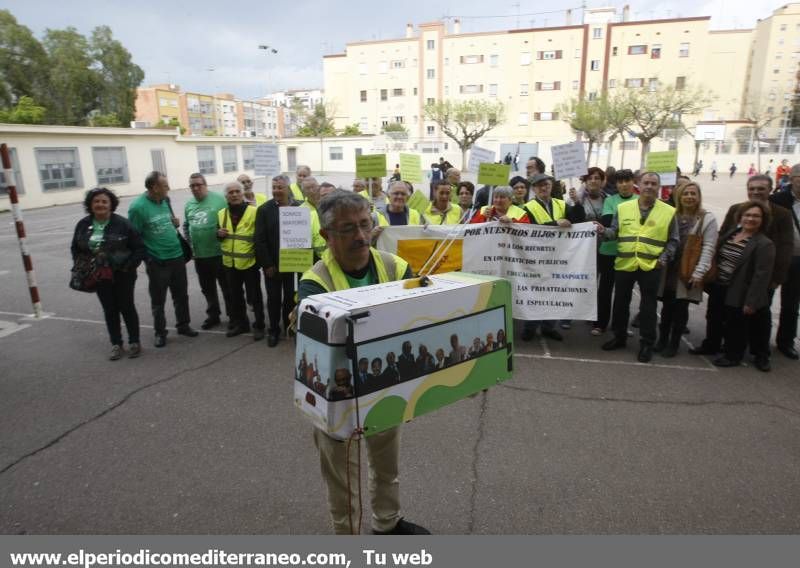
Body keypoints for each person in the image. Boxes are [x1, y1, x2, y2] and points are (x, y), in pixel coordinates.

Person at [297, 190, 428, 535]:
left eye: (364, 225)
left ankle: (387, 522)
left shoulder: (395, 266)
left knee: (387, 466)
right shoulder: (314, 282)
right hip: (338, 399)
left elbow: (418, 321)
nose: (359, 236)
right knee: (343, 484)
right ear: (326, 236)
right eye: (347, 229)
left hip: (385, 387)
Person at [691, 174, 794, 357]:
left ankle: (758, 353)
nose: (756, 192)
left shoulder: (781, 214)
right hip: (724, 278)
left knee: (757, 316)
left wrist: (777, 278)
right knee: (717, 314)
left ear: (770, 189)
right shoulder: (736, 210)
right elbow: (722, 236)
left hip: (758, 278)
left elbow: (785, 247)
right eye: (752, 188)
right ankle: (713, 344)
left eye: (760, 188)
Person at [598, 172, 678, 362]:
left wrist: (664, 258)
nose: (649, 186)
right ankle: (619, 337)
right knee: (620, 303)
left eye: (653, 183)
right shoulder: (623, 208)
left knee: (648, 307)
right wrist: (602, 231)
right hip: (625, 263)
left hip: (651, 266)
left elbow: (673, 240)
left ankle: (646, 343)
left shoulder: (668, 211)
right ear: (638, 185)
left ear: (659, 187)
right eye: (646, 183)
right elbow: (614, 232)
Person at [72, 188, 146, 360]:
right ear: (90, 204)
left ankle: (134, 342)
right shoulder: (83, 224)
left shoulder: (123, 224)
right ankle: (116, 344)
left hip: (123, 274)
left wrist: (128, 266)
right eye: (96, 201)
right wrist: (83, 265)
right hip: (98, 274)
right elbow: (75, 248)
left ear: (111, 204)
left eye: (104, 201)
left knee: (126, 306)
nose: (100, 204)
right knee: (109, 309)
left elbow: (139, 248)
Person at [128, 171, 198, 348]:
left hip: (177, 256)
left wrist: (173, 223)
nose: (169, 188)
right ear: (154, 187)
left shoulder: (165, 200)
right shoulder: (138, 207)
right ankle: (160, 332)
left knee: (181, 295)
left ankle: (183, 325)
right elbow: (134, 237)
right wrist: (148, 259)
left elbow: (168, 223)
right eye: (165, 185)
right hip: (158, 261)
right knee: (158, 300)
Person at [654, 182, 718, 357]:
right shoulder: (671, 214)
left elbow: (709, 247)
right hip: (669, 268)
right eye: (685, 194)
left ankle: (673, 343)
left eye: (693, 193)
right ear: (679, 197)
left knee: (681, 307)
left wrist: (699, 272)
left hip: (688, 269)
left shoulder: (706, 218)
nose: (689, 197)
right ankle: (662, 340)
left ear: (698, 197)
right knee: (667, 306)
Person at [710, 202, 775, 371]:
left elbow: (761, 276)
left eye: (756, 216)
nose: (750, 219)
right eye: (747, 215)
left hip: (741, 291)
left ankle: (733, 356)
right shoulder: (734, 233)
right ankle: (726, 349)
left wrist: (751, 302)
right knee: (726, 320)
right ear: (740, 217)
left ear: (763, 220)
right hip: (722, 285)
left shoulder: (764, 243)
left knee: (737, 325)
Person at [521, 173, 584, 341]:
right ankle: (530, 327)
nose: (543, 188)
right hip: (537, 257)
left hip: (559, 256)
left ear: (551, 186)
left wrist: (577, 202)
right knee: (535, 294)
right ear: (534, 189)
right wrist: (555, 224)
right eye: (539, 185)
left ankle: (549, 327)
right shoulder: (527, 207)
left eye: (546, 184)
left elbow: (579, 220)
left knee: (554, 293)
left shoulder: (562, 204)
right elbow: (529, 231)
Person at [254, 174, 301, 347]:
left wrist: (301, 261)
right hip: (272, 266)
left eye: (279, 187)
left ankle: (288, 328)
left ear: (288, 188)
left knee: (290, 298)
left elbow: (304, 237)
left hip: (293, 263)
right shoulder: (264, 210)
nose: (276, 191)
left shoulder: (299, 208)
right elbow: (259, 240)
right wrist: (267, 264)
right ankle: (273, 330)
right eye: (274, 187)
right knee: (273, 299)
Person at [217, 181, 265, 341]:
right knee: (235, 296)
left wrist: (260, 261)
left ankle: (259, 326)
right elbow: (219, 234)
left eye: (237, 191)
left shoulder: (254, 211)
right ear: (226, 196)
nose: (235, 194)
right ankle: (241, 324)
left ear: (243, 193)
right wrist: (218, 234)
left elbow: (260, 238)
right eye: (231, 192)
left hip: (250, 263)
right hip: (229, 263)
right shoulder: (221, 213)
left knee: (255, 296)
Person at [184, 173, 231, 330]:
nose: (196, 188)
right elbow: (186, 226)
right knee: (207, 288)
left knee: (227, 287)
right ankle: (213, 315)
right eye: (192, 185)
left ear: (205, 185)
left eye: (199, 184)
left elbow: (231, 220)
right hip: (200, 256)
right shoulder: (189, 204)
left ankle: (233, 316)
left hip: (219, 254)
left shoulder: (219, 200)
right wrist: (190, 245)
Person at [595, 169, 638, 335]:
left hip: (628, 253)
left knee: (624, 293)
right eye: (620, 182)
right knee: (604, 290)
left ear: (633, 182)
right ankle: (600, 323)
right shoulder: (610, 200)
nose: (624, 185)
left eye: (627, 181)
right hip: (608, 251)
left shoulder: (639, 200)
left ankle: (620, 325)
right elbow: (606, 222)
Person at [769, 163, 800, 360]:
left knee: (791, 303)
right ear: (793, 178)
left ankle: (786, 341)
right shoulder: (777, 200)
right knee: (764, 298)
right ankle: (756, 338)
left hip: (799, 261)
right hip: (778, 258)